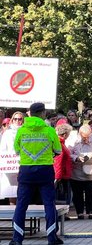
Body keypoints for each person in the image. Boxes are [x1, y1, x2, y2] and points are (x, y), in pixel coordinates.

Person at [10, 103, 62, 245]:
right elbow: (58, 150)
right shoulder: (49, 130)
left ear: (30, 113)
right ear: (43, 113)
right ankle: (52, 238)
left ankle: (17, 239)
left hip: (26, 171)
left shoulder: (22, 130)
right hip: (45, 170)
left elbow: (16, 150)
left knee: (21, 205)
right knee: (49, 204)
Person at [69, 125, 92, 219]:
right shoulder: (74, 141)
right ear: (80, 135)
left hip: (90, 171)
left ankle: (91, 211)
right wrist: (76, 158)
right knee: (77, 193)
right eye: (84, 137)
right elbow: (69, 154)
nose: (86, 139)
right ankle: (79, 212)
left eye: (88, 137)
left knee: (91, 192)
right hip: (77, 171)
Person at [0, 111, 25, 201]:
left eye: (20, 119)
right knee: (12, 191)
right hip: (10, 165)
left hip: (23, 164)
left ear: (23, 120)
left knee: (22, 191)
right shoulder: (7, 133)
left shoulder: (26, 132)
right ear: (12, 120)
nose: (17, 121)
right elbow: (3, 149)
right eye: (15, 119)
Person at [54, 123, 73, 219]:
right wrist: (58, 177)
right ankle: (61, 214)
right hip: (63, 175)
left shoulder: (60, 143)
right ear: (65, 134)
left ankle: (62, 214)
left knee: (62, 196)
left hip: (63, 174)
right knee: (63, 196)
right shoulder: (60, 144)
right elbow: (58, 162)